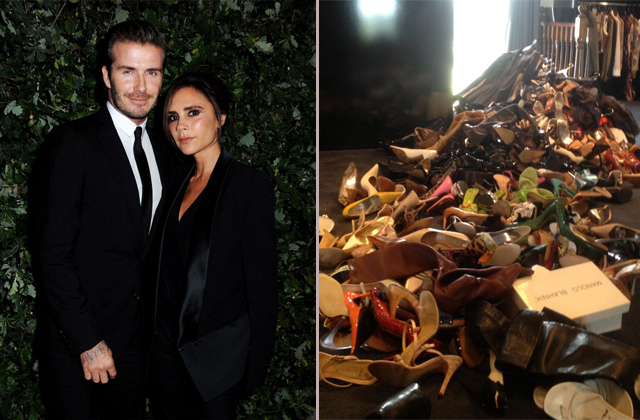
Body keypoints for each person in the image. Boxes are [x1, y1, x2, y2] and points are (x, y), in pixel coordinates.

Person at [29, 20, 173, 419]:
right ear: (107, 75)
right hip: (79, 349)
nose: (141, 86)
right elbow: (52, 255)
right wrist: (88, 342)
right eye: (128, 71)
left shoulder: (166, 148)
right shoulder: (72, 144)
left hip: (137, 349)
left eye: (152, 72)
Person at [145, 73, 278, 419]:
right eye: (173, 117)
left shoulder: (248, 185)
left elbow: (262, 284)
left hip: (216, 361)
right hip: (163, 356)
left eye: (193, 113)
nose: (181, 126)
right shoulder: (173, 182)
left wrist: (255, 365)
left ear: (221, 118)